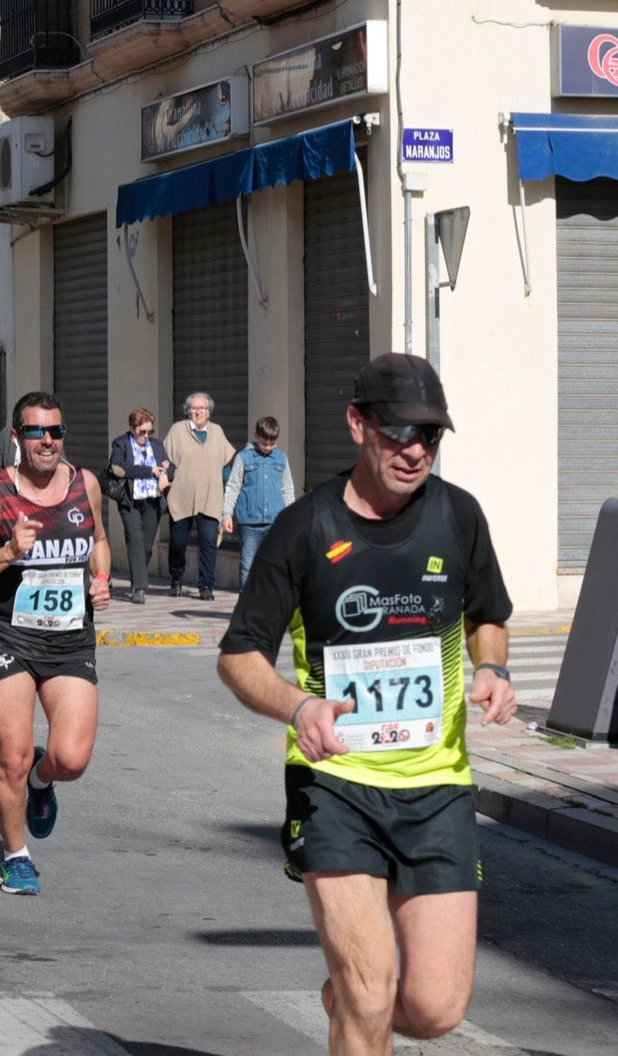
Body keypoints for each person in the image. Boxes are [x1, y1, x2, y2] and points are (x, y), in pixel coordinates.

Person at [216, 354, 515, 1055]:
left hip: (438, 790)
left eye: (430, 437)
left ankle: (344, 1000)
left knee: (434, 1007)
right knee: (372, 986)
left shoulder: (457, 516)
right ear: (359, 424)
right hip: (338, 788)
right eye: (399, 432)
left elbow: (487, 614)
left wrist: (493, 665)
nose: (414, 449)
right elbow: (237, 655)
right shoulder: (304, 528)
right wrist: (297, 707)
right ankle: (356, 1000)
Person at [0, 392, 112, 894]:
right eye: (37, 431)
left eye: (56, 431)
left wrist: (101, 577)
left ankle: (43, 783)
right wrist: (7, 552)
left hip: (69, 642)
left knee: (71, 758)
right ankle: (16, 854)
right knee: (11, 759)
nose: (48, 441)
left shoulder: (85, 484)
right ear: (17, 437)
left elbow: (100, 541)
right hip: (9, 638)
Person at [162, 391, 236, 600]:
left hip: (210, 496)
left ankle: (206, 585)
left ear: (209, 412)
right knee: (178, 542)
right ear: (187, 411)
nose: (197, 412)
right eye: (193, 408)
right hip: (181, 495)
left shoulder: (217, 431)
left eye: (202, 408)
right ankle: (176, 579)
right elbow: (164, 459)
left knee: (209, 542)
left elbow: (225, 465)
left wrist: (228, 490)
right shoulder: (177, 430)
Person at [105, 408, 172, 604]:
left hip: (152, 500)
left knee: (147, 546)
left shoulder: (157, 446)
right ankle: (139, 587)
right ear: (132, 428)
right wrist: (150, 470)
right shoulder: (121, 444)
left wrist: (166, 473)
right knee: (135, 538)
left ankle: (137, 577)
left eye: (149, 432)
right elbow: (119, 468)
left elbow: (170, 465)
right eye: (142, 432)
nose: (146, 436)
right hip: (130, 501)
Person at [222, 415, 296, 587]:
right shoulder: (243, 457)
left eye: (272, 444)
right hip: (250, 522)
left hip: (275, 522)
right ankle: (247, 607)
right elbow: (233, 486)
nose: (268, 448)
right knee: (248, 565)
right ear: (256, 435)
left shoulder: (281, 458)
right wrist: (227, 514)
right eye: (264, 443)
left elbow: (288, 489)